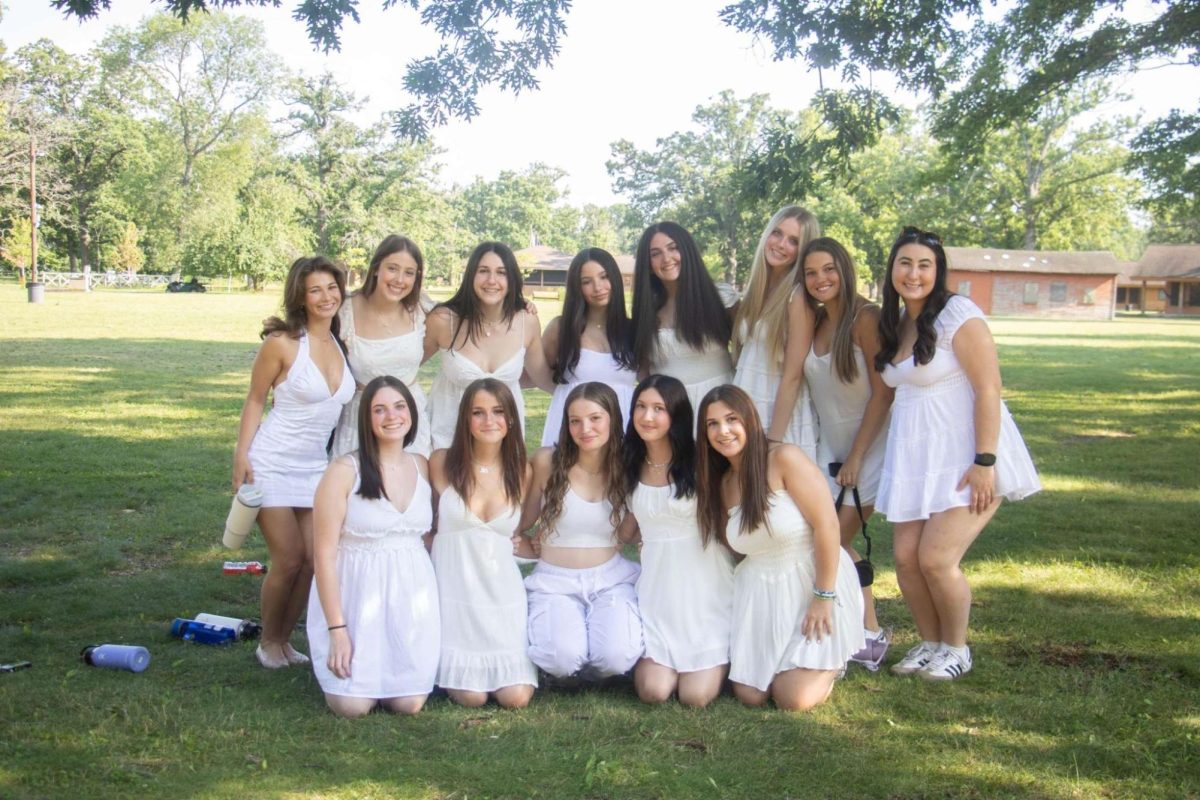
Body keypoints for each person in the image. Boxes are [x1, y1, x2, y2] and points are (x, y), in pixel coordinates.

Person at [875, 227, 1040, 680]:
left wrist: (985, 461)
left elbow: (989, 388)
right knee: (907, 561)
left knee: (936, 559)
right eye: (904, 263)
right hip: (916, 458)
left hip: (967, 456)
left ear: (938, 270)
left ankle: (957, 648)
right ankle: (930, 643)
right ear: (891, 270)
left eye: (924, 264)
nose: (913, 273)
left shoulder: (959, 314)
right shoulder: (897, 324)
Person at [696, 385, 864, 711]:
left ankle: (832, 663)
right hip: (760, 593)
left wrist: (823, 596)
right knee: (750, 695)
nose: (723, 431)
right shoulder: (722, 484)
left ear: (749, 419)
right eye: (712, 424)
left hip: (810, 581)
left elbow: (827, 526)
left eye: (731, 419)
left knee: (792, 698)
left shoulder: (783, 459)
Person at [233, 256, 355, 670]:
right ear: (300, 298)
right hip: (271, 462)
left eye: (332, 288)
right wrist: (241, 455)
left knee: (313, 560)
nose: (326, 297)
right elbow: (254, 399)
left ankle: (286, 641)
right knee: (287, 558)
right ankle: (268, 641)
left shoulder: (341, 343)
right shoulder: (282, 344)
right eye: (315, 290)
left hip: (313, 469)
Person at [307, 376, 438, 716]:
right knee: (351, 706)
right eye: (379, 409)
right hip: (355, 596)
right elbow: (323, 554)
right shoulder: (343, 471)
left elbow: (431, 533)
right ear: (367, 420)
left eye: (399, 406)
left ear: (411, 413)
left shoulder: (421, 466)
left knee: (408, 704)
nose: (391, 416)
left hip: (409, 598)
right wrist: (337, 630)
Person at [800, 237, 896, 670]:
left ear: (845, 269)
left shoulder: (866, 318)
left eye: (828, 269)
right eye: (811, 273)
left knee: (833, 542)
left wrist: (857, 457)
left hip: (870, 447)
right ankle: (855, 629)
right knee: (816, 540)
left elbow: (883, 393)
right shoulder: (816, 321)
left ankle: (870, 633)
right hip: (826, 449)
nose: (821, 280)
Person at [619, 375, 734, 706]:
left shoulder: (702, 461)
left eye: (659, 408)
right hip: (657, 591)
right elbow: (628, 525)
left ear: (677, 415)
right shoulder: (629, 462)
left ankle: (720, 651)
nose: (647, 417)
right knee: (654, 691)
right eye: (640, 407)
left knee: (694, 696)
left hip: (705, 589)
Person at [518, 382, 644, 679]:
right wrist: (524, 545)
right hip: (554, 581)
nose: (584, 428)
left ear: (613, 418)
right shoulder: (547, 462)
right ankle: (569, 651)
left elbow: (628, 536)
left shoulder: (627, 467)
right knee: (562, 659)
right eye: (575, 421)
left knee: (615, 658)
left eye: (595, 418)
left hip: (610, 579)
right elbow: (518, 523)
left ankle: (598, 645)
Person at [429, 378, 537, 708]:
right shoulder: (441, 462)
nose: (489, 421)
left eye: (498, 411)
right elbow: (427, 527)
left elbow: (518, 533)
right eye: (478, 412)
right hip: (456, 593)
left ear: (512, 419)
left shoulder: (522, 470)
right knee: (471, 697)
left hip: (500, 593)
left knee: (516, 697)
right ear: (465, 419)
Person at [426, 241, 554, 449]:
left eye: (501, 272)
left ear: (512, 279)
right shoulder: (443, 321)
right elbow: (406, 367)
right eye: (483, 271)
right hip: (448, 438)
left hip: (503, 439)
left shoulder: (526, 322)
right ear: (471, 276)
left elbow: (543, 378)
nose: (492, 280)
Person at [332, 235, 432, 458]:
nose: (399, 279)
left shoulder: (421, 308)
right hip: (362, 417)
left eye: (409, 273)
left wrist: (518, 304)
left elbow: (469, 313)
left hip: (408, 415)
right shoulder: (345, 309)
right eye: (393, 269)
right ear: (376, 268)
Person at [731, 206, 820, 456]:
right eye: (777, 233)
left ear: (803, 251)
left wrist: (774, 441)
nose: (781, 244)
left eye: (793, 241)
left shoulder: (798, 297)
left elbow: (793, 376)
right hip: (746, 403)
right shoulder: (756, 291)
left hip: (777, 416)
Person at [630, 222, 736, 414]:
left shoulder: (721, 298)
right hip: (671, 414)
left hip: (720, 410)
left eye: (673, 248)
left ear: (687, 250)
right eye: (655, 254)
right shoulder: (647, 312)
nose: (666, 258)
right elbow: (643, 370)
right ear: (649, 265)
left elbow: (747, 350)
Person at [541, 248, 637, 446]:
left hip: (622, 429)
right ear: (577, 288)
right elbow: (537, 373)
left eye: (604, 277)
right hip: (575, 430)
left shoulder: (633, 330)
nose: (598, 287)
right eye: (587, 282)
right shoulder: (561, 329)